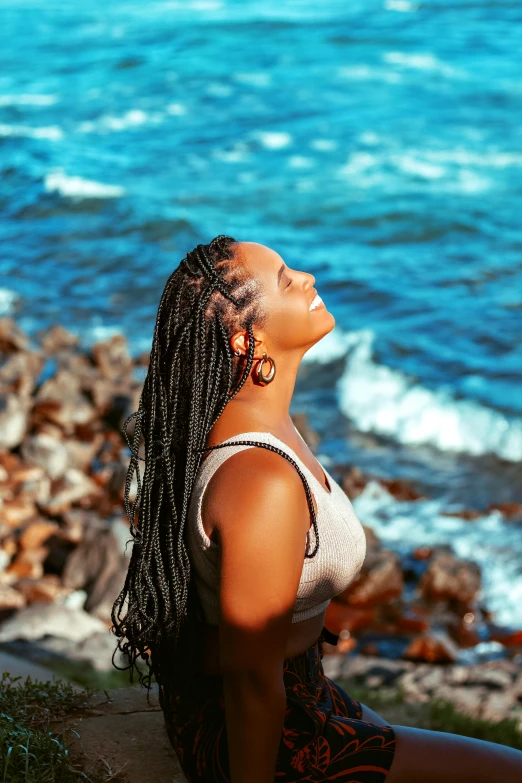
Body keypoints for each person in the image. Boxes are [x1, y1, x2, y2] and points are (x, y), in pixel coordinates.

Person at [111, 236, 522, 783]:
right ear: (246, 340)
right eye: (284, 278)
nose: (306, 276)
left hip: (299, 689)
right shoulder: (261, 481)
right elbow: (253, 681)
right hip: (266, 735)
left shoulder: (248, 418)